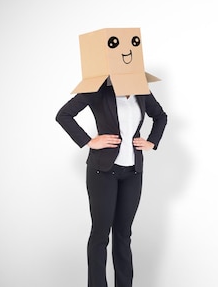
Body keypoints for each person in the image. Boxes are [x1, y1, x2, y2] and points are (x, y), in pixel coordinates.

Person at [56, 78, 167, 287]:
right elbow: (64, 115)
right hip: (103, 171)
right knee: (100, 234)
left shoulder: (140, 89)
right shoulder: (98, 89)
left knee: (123, 235)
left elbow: (160, 116)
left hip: (133, 172)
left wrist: (152, 142)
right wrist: (89, 141)